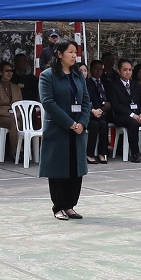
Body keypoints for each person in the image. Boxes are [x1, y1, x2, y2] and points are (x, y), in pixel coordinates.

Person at [39, 37, 91, 221]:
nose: (74, 55)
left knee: (75, 168)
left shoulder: (78, 75)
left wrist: (82, 123)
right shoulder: (47, 76)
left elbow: (86, 101)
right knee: (58, 169)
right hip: (59, 128)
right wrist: (70, 123)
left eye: (75, 52)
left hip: (77, 129)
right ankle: (58, 206)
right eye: (70, 52)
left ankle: (70, 205)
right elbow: (48, 103)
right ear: (59, 54)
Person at [105, 59, 141, 163]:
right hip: (122, 116)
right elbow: (116, 105)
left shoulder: (135, 84)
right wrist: (132, 114)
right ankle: (134, 153)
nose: (128, 72)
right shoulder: (113, 85)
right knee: (133, 123)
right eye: (125, 70)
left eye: (130, 70)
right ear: (119, 71)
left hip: (138, 114)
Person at [83, 60, 110, 163]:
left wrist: (100, 109)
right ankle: (89, 154)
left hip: (99, 112)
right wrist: (93, 110)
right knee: (94, 125)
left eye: (100, 69)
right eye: (96, 68)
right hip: (86, 114)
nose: (98, 71)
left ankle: (101, 153)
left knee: (103, 123)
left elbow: (97, 99)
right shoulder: (87, 84)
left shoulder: (105, 82)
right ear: (91, 70)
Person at [0, 61, 23, 163]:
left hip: (16, 116)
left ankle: (28, 151)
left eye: (11, 71)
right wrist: (9, 114)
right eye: (6, 71)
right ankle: (16, 152)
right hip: (0, 117)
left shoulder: (16, 87)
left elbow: (21, 104)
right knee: (14, 123)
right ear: (0, 72)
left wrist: (18, 114)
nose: (9, 73)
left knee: (24, 122)